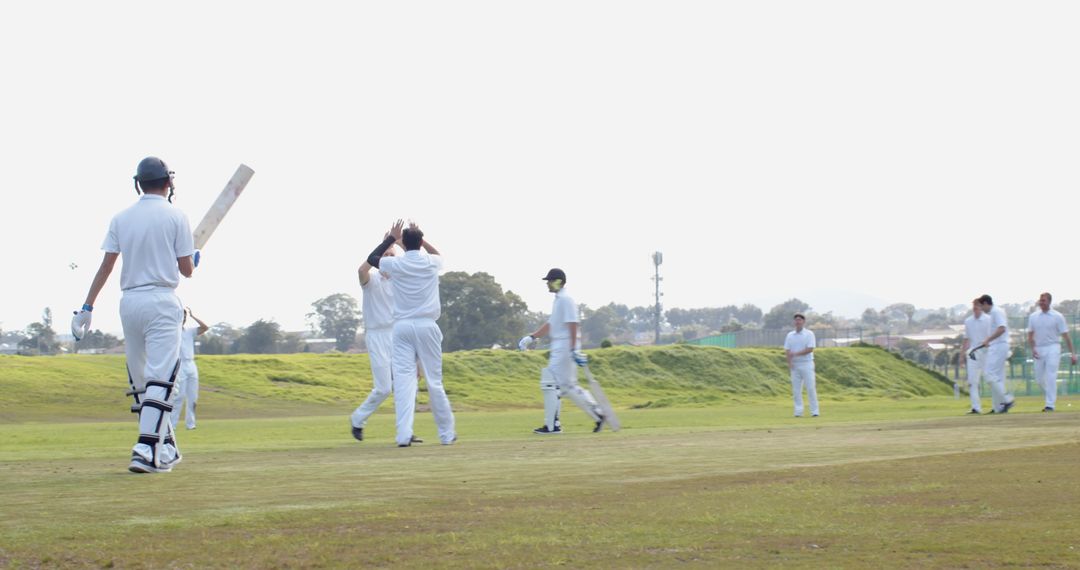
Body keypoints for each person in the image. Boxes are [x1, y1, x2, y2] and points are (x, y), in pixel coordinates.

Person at [71, 156, 196, 473]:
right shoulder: (176, 216)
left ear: (138, 183)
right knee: (161, 377)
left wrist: (87, 307)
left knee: (142, 379)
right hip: (162, 299)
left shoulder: (121, 217)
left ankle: (165, 447)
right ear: (168, 183)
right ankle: (145, 446)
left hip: (128, 302)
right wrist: (194, 258)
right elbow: (187, 270)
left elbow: (106, 266)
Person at [364, 221, 455, 447]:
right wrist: (415, 241)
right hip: (427, 326)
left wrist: (390, 240)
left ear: (403, 243)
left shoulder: (395, 264)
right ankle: (446, 434)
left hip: (402, 328)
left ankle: (403, 435)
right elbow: (438, 254)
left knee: (404, 383)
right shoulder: (431, 262)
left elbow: (372, 259)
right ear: (421, 242)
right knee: (434, 381)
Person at [349, 220, 421, 444]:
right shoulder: (370, 280)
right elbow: (362, 269)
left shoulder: (402, 280)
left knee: (406, 386)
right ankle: (358, 419)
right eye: (385, 256)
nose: (389, 259)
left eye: (393, 256)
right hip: (377, 335)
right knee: (383, 389)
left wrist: (405, 240)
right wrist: (388, 241)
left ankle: (406, 432)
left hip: (399, 335)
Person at [519, 268, 605, 434]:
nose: (547, 285)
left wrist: (573, 348)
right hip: (561, 346)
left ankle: (553, 426)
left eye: (550, 281)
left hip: (565, 346)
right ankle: (597, 414)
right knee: (566, 387)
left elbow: (573, 324)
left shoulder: (566, 299)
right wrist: (532, 337)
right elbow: (552, 324)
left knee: (550, 383)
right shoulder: (559, 300)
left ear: (558, 281)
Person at [1027, 292, 1077, 412]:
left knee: (1051, 376)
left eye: (1043, 300)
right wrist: (1033, 348)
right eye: (1040, 300)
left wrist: (1073, 354)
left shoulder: (1057, 316)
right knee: (1039, 379)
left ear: (1049, 301)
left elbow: (1066, 336)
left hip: (1053, 347)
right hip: (1039, 348)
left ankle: (1050, 404)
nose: (1041, 302)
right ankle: (1051, 394)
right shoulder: (1033, 317)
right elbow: (1030, 335)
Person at [969, 294, 1016, 413]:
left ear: (985, 303)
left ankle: (1007, 399)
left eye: (981, 306)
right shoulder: (994, 313)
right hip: (997, 346)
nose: (981, 309)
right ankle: (999, 407)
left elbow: (1002, 329)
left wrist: (988, 340)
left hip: (999, 346)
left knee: (989, 374)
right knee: (996, 377)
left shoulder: (996, 312)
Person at [171, 308, 209, 430]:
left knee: (193, 397)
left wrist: (193, 316)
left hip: (191, 364)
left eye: (185, 317)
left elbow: (205, 327)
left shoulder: (189, 331)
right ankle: (172, 424)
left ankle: (190, 424)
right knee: (179, 396)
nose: (183, 319)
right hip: (179, 364)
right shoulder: (172, 331)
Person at [961, 298, 993, 414]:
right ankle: (976, 407)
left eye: (977, 305)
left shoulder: (988, 320)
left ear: (981, 306)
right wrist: (962, 356)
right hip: (973, 353)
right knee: (972, 381)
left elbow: (992, 337)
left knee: (990, 380)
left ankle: (998, 405)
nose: (975, 308)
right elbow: (966, 339)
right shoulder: (968, 321)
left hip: (986, 352)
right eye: (973, 306)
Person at [784, 313, 819, 418]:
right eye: (796, 320)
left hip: (807, 363)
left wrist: (795, 354)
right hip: (795, 365)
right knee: (796, 390)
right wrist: (789, 362)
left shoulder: (809, 334)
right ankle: (798, 412)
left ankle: (815, 411)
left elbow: (810, 349)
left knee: (810, 388)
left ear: (803, 321)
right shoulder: (790, 335)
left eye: (799, 320)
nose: (797, 322)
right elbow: (787, 350)